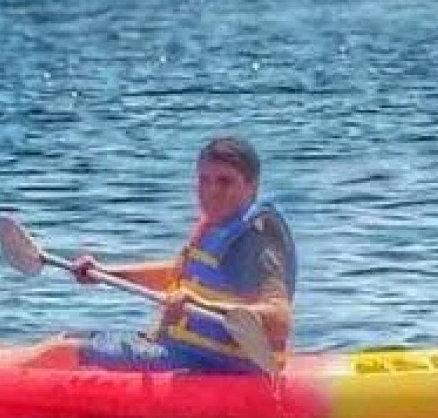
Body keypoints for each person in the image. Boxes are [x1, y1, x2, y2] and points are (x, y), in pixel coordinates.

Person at [42, 134, 297, 373]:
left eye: (225, 181)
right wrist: (104, 273)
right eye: (204, 180)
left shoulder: (254, 240)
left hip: (218, 367)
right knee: (70, 338)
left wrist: (200, 305)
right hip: (189, 354)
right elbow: (178, 273)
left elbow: (279, 321)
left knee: (62, 353)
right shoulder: (217, 226)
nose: (211, 191)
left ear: (252, 186)